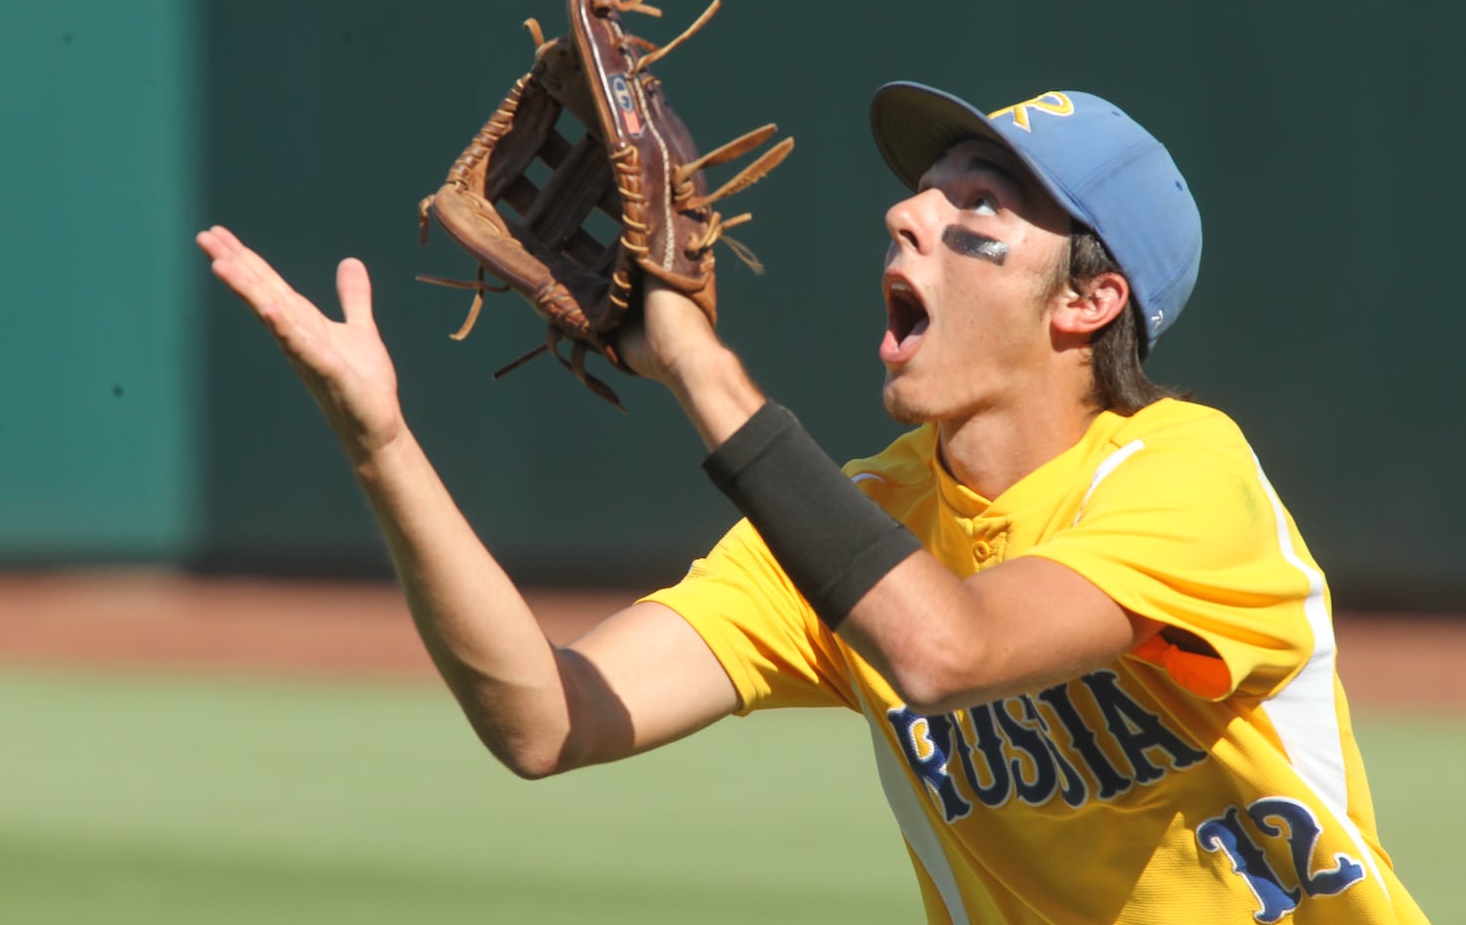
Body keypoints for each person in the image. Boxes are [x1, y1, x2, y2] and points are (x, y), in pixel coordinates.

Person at [198, 82, 1426, 923]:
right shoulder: (857, 523)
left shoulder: (1181, 476)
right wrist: (382, 443)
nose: (909, 213)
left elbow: (947, 646)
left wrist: (695, 362)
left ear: (1085, 304)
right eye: (923, 191)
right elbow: (544, 720)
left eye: (979, 207)